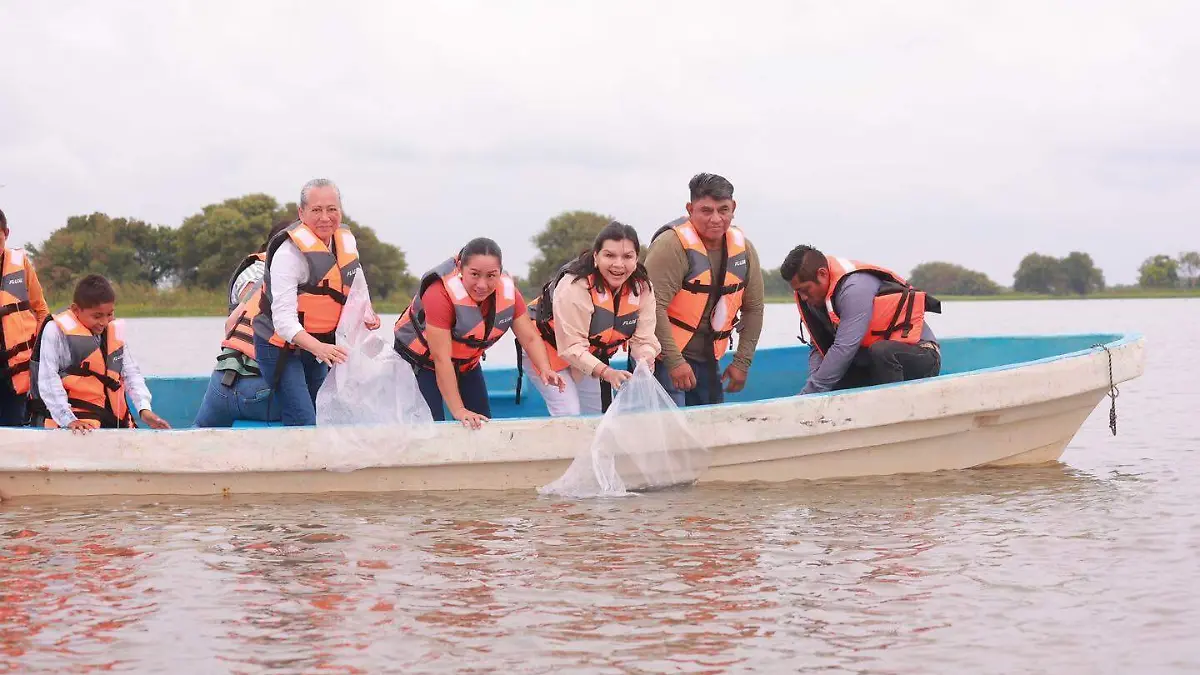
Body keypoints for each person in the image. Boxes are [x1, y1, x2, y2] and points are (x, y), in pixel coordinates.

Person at [394, 238, 565, 429]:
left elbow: (530, 338)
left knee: (483, 423)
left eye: (491, 276)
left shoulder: (509, 294)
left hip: (466, 364)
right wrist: (459, 410)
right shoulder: (438, 294)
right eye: (474, 274)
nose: (482, 285)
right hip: (421, 364)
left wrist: (545, 368)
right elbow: (441, 358)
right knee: (430, 427)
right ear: (460, 267)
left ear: (500, 273)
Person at [252, 179, 380, 426]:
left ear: (340, 211)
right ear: (301, 213)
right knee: (303, 418)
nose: (325, 217)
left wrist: (368, 313)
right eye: (316, 210)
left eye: (332, 209)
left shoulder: (346, 243)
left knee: (324, 413)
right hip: (279, 346)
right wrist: (319, 349)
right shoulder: (289, 254)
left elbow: (358, 289)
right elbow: (283, 321)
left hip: (320, 346)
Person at [643, 173, 765, 406]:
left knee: (711, 430)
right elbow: (651, 307)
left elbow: (754, 308)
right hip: (663, 358)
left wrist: (742, 362)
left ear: (733, 208)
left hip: (708, 359)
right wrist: (674, 362)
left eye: (723, 210)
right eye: (706, 211)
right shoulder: (670, 246)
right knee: (671, 432)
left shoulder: (744, 249)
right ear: (690, 209)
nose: (716, 219)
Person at [523, 222, 661, 416]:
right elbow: (571, 347)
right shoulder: (574, 286)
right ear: (596, 257)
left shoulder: (642, 288)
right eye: (609, 255)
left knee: (597, 414)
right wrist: (607, 372)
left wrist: (646, 357)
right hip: (546, 347)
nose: (618, 264)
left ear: (636, 258)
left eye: (627, 256)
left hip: (589, 352)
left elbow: (644, 339)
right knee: (569, 411)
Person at [779, 245, 942, 394]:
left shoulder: (854, 288)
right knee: (832, 374)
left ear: (822, 274)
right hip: (874, 363)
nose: (803, 297)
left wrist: (808, 394)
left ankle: (891, 413)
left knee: (881, 352)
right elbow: (818, 347)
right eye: (798, 292)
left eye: (805, 290)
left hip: (922, 356)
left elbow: (844, 347)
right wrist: (813, 390)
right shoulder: (815, 298)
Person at [27, 275, 170, 432]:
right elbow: (48, 380)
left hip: (107, 421)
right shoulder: (55, 331)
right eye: (97, 316)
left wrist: (144, 410)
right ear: (76, 310)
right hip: (69, 423)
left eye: (109, 314)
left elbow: (131, 373)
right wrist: (68, 420)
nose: (104, 322)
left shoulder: (113, 332)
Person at [192, 219, 292, 427]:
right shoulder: (260, 274)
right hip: (256, 388)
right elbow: (255, 302)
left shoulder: (259, 271)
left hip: (223, 382)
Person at [0, 208, 50, 426]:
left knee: (14, 432)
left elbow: (41, 311)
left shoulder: (21, 265)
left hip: (16, 371)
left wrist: (39, 356)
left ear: (6, 233)